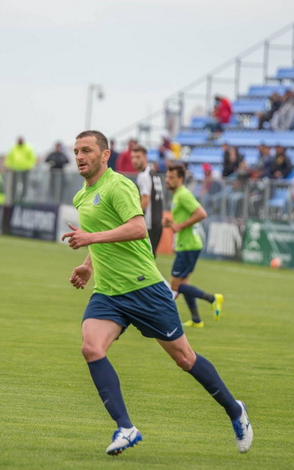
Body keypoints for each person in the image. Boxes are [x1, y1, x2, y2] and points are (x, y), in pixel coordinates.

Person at [62, 130, 252, 456]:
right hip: (108, 292)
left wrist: (91, 239)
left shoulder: (119, 185)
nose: (79, 156)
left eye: (87, 150)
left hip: (144, 288)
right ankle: (126, 427)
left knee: (184, 358)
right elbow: (99, 235)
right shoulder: (82, 195)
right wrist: (88, 265)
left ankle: (235, 411)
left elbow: (137, 227)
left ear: (105, 155)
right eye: (76, 151)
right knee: (92, 347)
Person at [162, 165, 224, 328]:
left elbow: (201, 213)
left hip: (188, 245)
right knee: (183, 284)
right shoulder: (177, 196)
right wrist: (172, 223)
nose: (168, 180)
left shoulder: (183, 195)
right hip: (187, 245)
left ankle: (212, 298)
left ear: (180, 179)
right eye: (167, 177)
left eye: (171, 177)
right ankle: (196, 320)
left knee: (175, 286)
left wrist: (180, 226)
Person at [130, 144, 164, 257]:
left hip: (149, 223)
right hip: (158, 221)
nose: (134, 160)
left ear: (145, 157)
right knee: (150, 258)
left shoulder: (143, 175)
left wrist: (134, 217)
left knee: (144, 259)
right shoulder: (153, 172)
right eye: (133, 157)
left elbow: (145, 199)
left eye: (138, 157)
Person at [4, 136, 37, 204]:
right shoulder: (13, 148)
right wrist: (8, 165)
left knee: (25, 184)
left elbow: (32, 158)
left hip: (25, 169)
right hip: (15, 169)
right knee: (14, 185)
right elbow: (9, 157)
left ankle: (23, 199)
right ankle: (13, 199)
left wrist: (30, 166)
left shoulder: (28, 148)